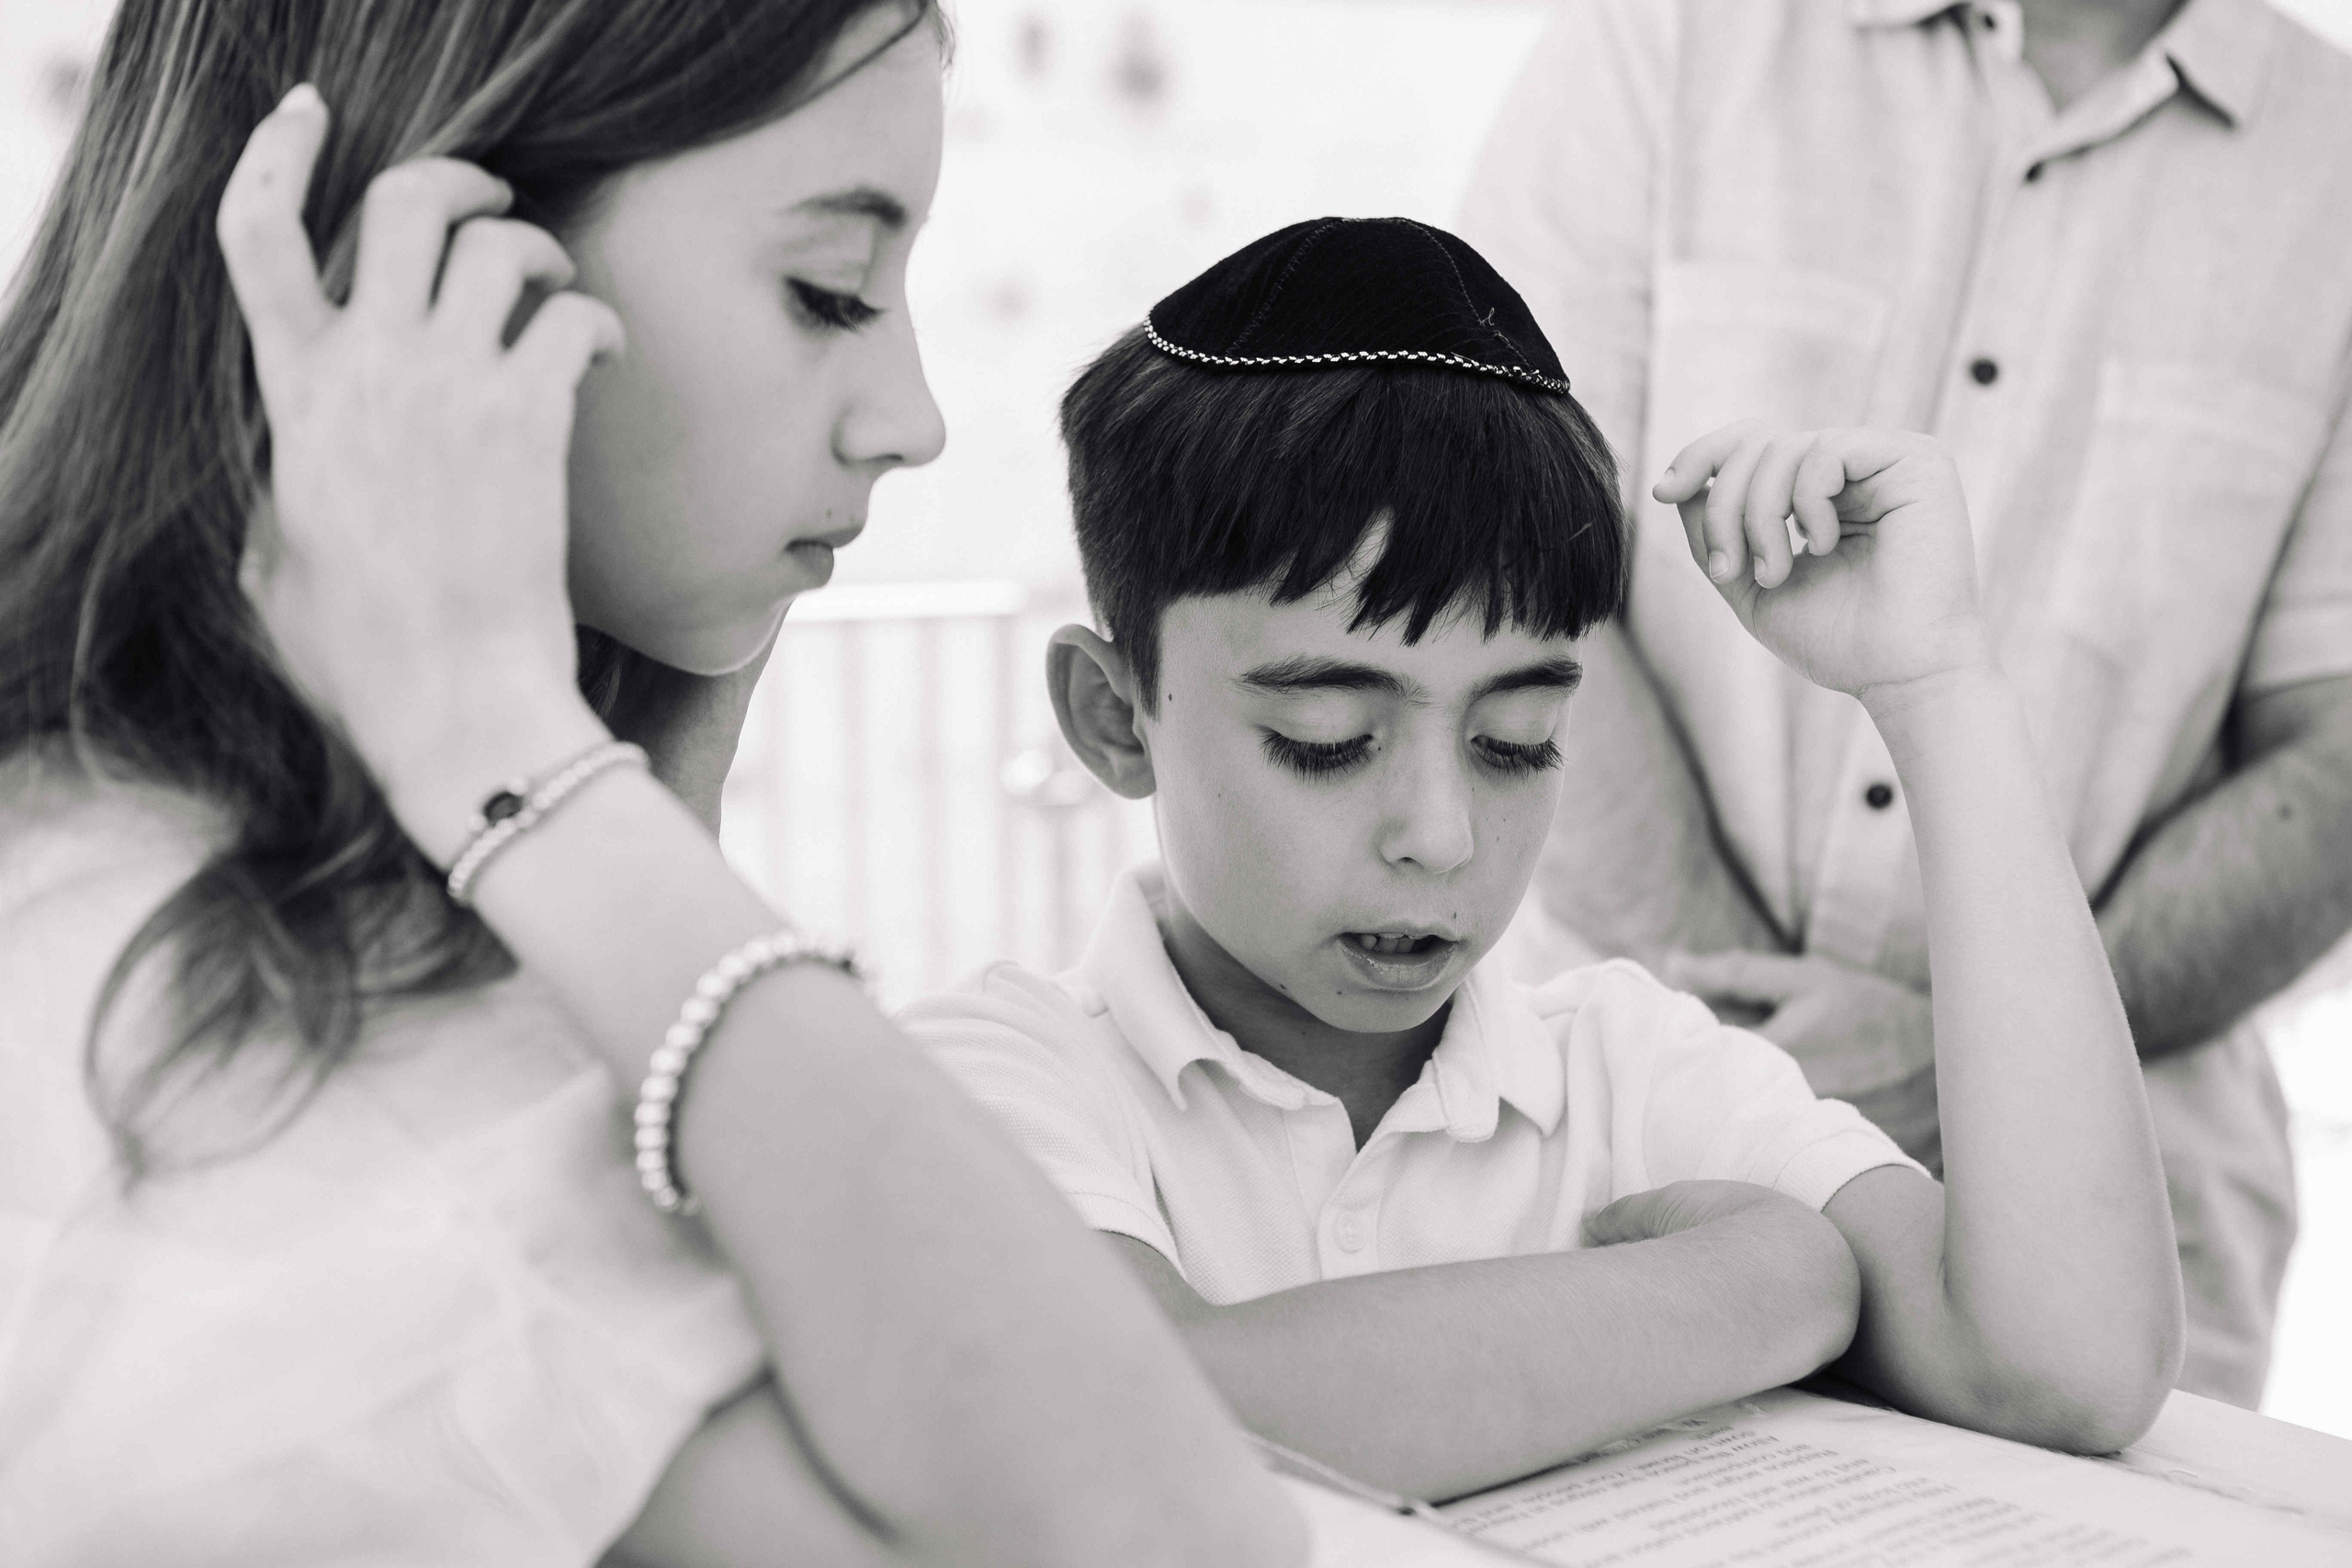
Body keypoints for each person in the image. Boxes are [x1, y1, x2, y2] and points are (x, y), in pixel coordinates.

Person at [0, 2, 1303, 1563]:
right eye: (827, 292)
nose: (915, 418)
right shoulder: (246, 1056)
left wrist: (638, 737)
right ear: (433, 275)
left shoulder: (145, 856)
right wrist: (516, 754)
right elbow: (1163, 1535)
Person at [899, 218, 2184, 1504]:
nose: (1441, 835)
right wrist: (1764, 1280)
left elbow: (2066, 1370)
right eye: (1328, 739)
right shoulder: (994, 1077)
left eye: (1517, 741)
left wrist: (1938, 686)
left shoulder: (1630, 1075)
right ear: (1116, 715)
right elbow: (1145, 1424)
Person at [1454, 0, 2352, 1408]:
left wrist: (1980, 1059)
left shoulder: (2338, 167)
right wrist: (1738, 1056)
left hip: (2135, 1221)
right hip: (1611, 1118)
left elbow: (2339, 765)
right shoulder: (1664, 41)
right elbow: (1490, 541)